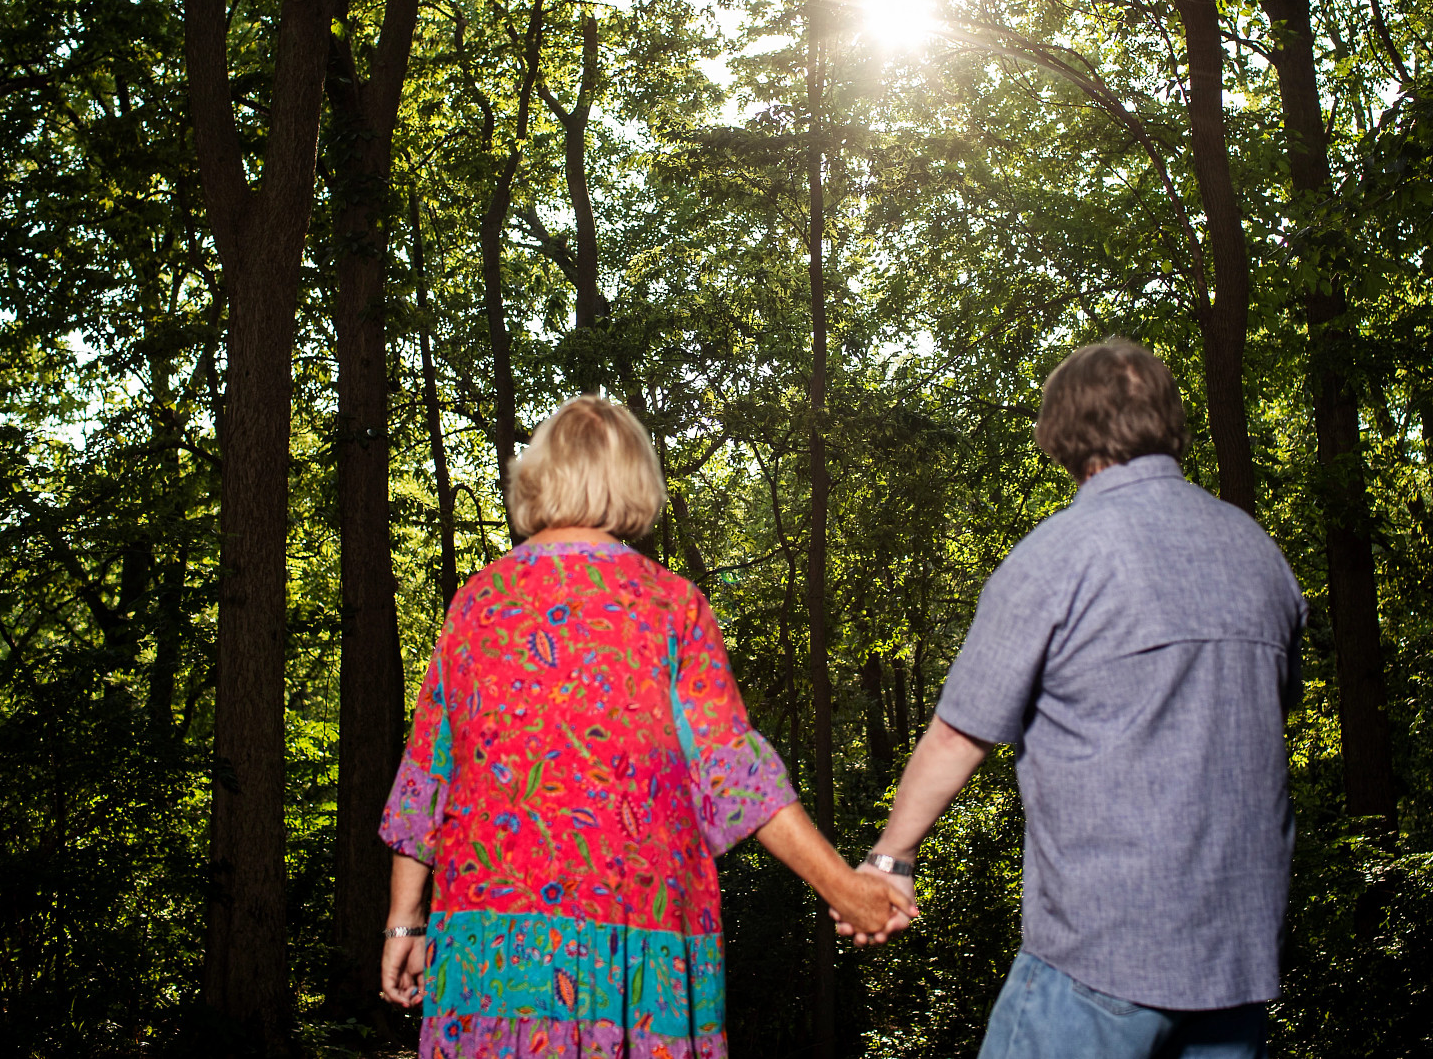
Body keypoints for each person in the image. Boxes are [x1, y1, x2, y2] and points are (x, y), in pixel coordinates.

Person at [379, 394, 906, 1059]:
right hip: (637, 950)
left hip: (491, 953)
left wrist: (404, 921)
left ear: (540, 476)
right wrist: (845, 886)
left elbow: (428, 772)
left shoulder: (476, 604)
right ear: (634, 479)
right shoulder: (669, 605)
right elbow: (735, 771)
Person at [843, 338, 1306, 1058]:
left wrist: (888, 860)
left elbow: (959, 735)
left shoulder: (1058, 556)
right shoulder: (1258, 553)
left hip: (1103, 956)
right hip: (1238, 956)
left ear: (1065, 431)